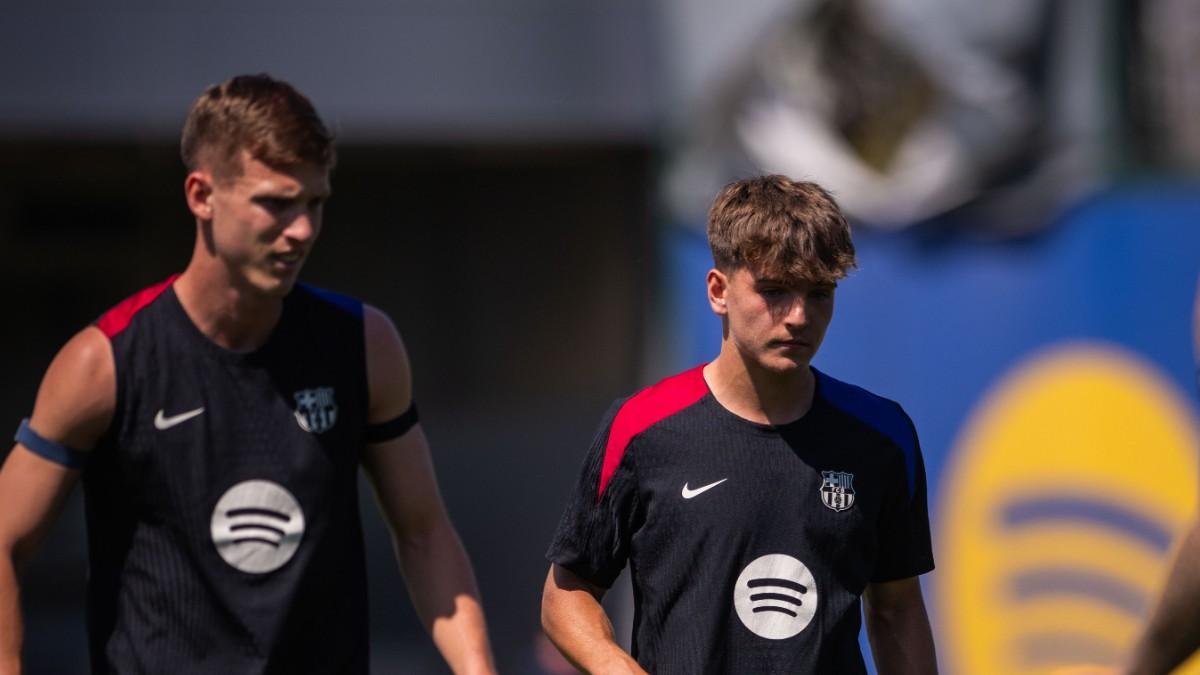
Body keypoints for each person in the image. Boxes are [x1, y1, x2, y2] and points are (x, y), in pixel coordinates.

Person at [0, 74, 496, 674]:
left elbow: (424, 533)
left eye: (314, 203)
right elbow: (5, 539)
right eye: (276, 203)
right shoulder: (101, 364)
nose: (303, 229)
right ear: (201, 196)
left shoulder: (365, 345)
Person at [541, 175, 938, 674]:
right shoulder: (641, 429)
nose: (799, 316)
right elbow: (567, 595)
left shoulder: (883, 436)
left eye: (819, 293)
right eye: (774, 291)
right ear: (718, 291)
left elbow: (897, 608)